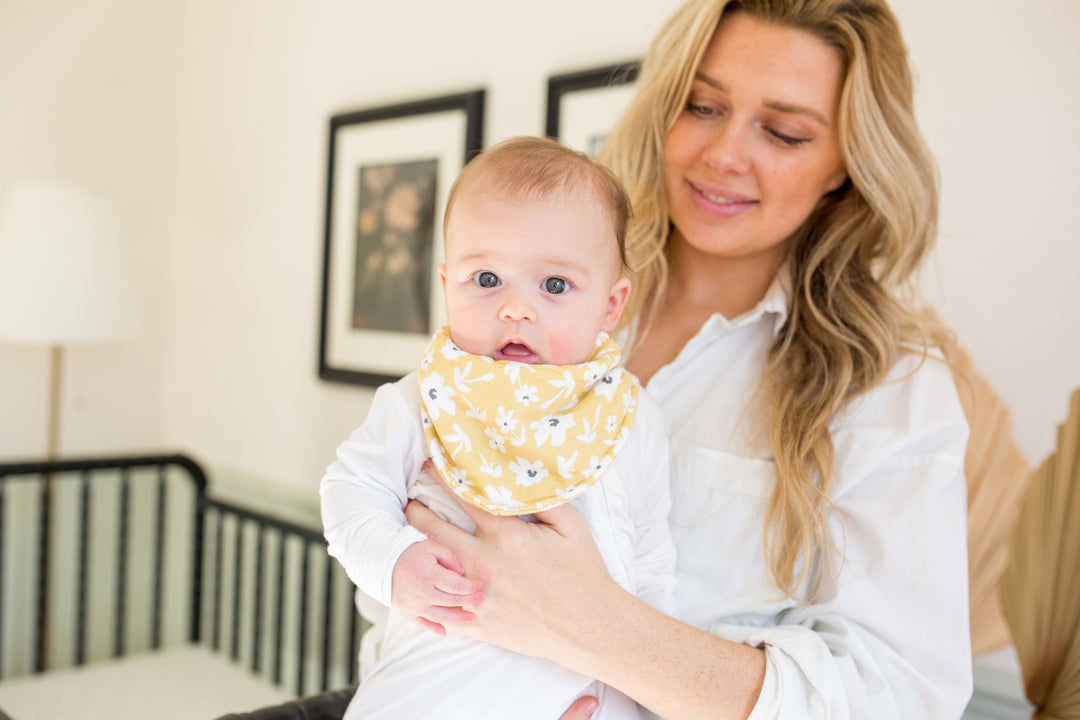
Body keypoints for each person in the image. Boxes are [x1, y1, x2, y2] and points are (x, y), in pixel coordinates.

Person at [403, 1, 973, 719]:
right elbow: (414, 520)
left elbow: (900, 700)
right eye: (702, 106)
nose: (725, 155)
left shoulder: (894, 387)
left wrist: (597, 629)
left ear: (845, 163)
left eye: (784, 132)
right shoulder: (542, 294)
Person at [321, 136, 678, 720]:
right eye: (486, 279)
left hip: (586, 694)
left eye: (554, 286)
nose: (516, 308)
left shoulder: (631, 417)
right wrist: (393, 562)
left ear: (611, 307)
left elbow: (653, 561)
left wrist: (646, 694)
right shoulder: (420, 399)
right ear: (445, 286)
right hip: (432, 688)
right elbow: (349, 490)